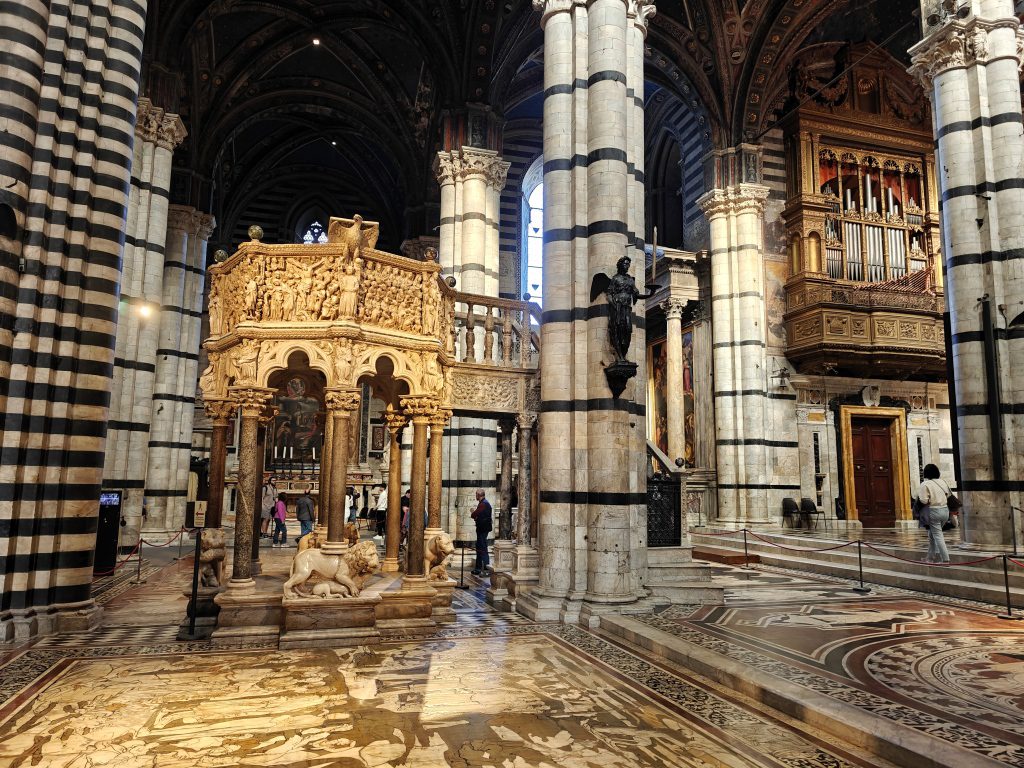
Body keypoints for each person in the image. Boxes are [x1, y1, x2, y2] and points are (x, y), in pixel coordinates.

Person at [917, 464, 951, 563]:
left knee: (938, 536)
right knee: (932, 535)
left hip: (934, 511)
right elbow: (948, 495)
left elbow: (923, 500)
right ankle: (930, 558)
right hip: (945, 511)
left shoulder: (925, 484)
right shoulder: (943, 482)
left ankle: (945, 560)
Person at [470, 488, 492, 576]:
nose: (475, 496)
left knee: (482, 548)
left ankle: (487, 569)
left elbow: (474, 514)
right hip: (481, 528)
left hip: (483, 529)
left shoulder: (484, 504)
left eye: (476, 494)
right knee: (479, 548)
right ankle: (478, 569)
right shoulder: (483, 503)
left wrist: (473, 512)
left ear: (479, 495)